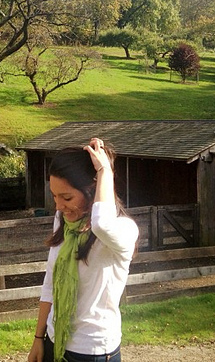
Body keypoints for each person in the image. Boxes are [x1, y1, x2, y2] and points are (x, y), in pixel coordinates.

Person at [27, 137, 139, 362]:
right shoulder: (63, 222)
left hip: (92, 352)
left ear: (92, 190)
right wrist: (39, 337)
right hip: (54, 339)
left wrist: (105, 171)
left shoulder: (124, 230)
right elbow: (51, 281)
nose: (58, 206)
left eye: (66, 197)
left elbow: (101, 224)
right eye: (54, 195)